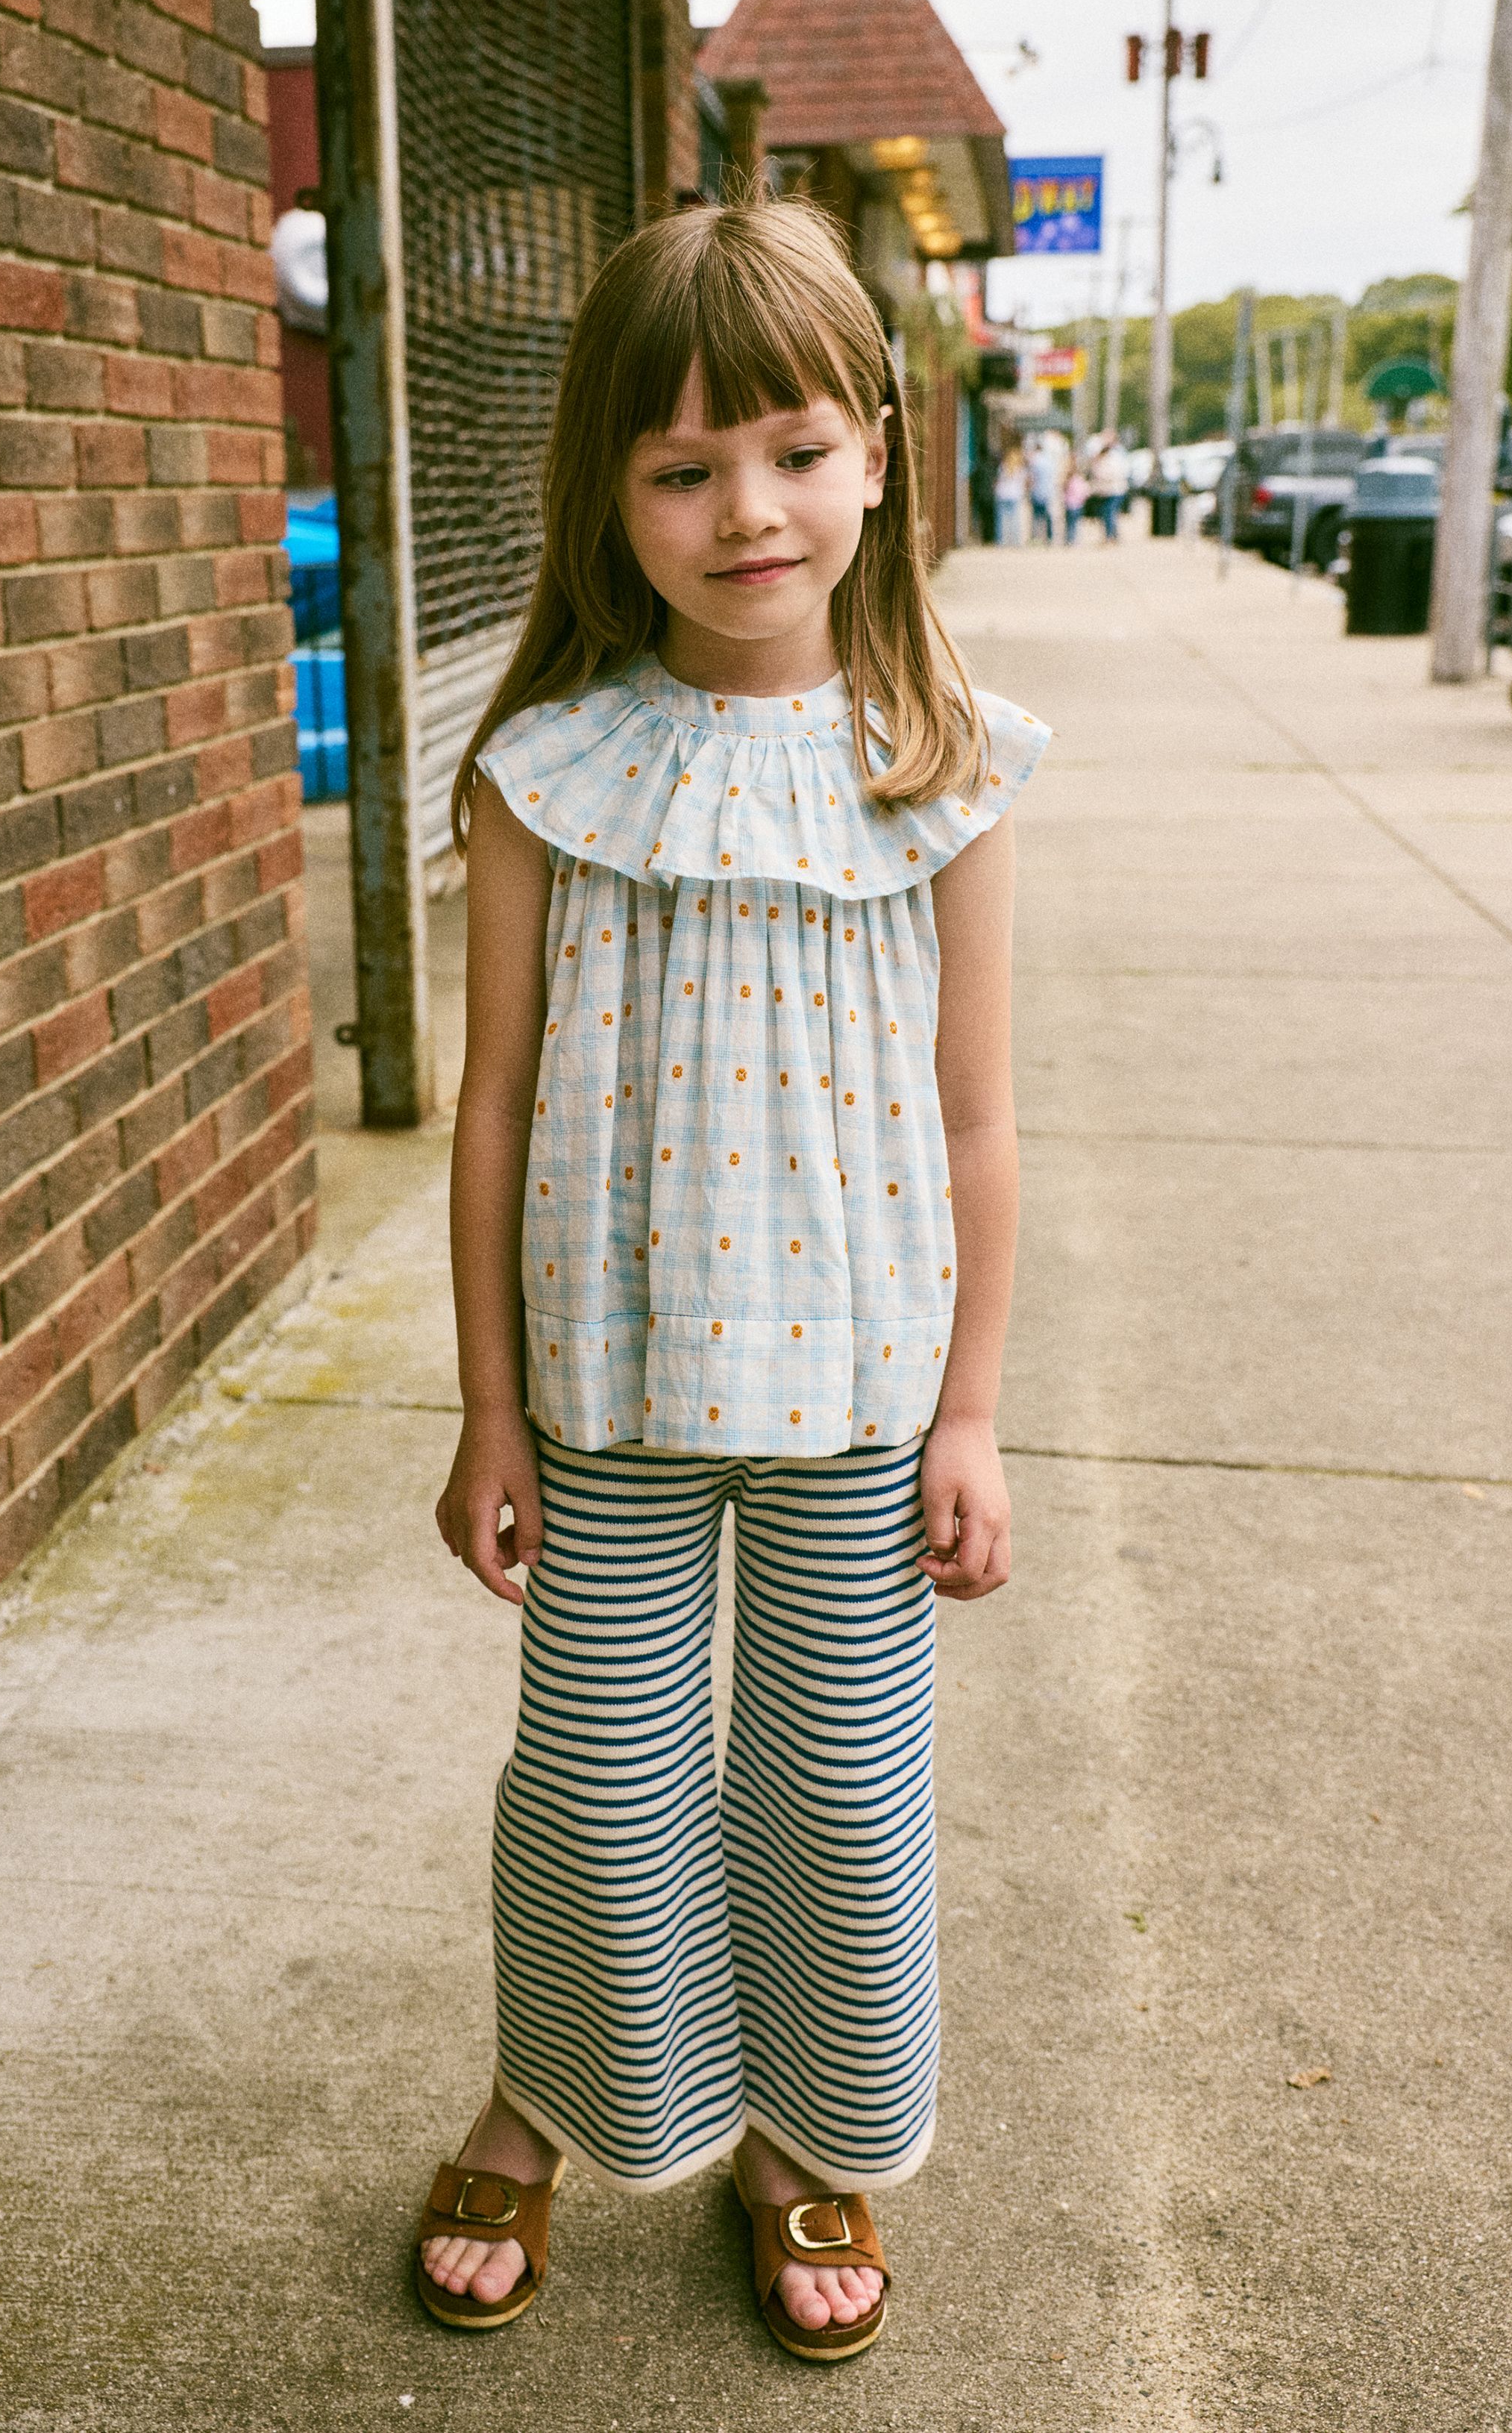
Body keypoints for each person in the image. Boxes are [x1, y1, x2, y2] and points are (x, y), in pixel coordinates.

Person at [416, 198, 1050, 2365]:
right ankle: (551, 2093)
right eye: (681, 467)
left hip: (862, 1400)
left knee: (839, 1801)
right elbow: (491, 1104)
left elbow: (977, 1119)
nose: (747, 511)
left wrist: (972, 1410)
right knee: (600, 1793)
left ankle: (804, 2134)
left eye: (791, 451)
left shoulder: (942, 769)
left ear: (874, 450)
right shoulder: (547, 770)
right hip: (600, 1390)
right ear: (609, 493)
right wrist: (484, 1409)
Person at [1088, 433, 1131, 541]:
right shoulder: (1104, 458)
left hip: (1114, 490)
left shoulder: (1115, 457)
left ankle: (1110, 536)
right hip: (1105, 490)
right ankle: (1112, 535)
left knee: (1109, 512)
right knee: (1107, 513)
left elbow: (1115, 473)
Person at [1024, 429, 1058, 541]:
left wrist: (1028, 489)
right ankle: (1049, 537)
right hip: (1048, 492)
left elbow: (1031, 478)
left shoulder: (1034, 461)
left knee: (1036, 517)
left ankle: (1035, 537)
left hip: (1037, 492)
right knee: (1048, 516)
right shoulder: (1050, 461)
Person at [994, 440, 1027, 545]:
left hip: (1002, 494)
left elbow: (998, 480)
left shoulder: (1003, 467)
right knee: (1015, 519)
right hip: (1015, 494)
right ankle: (1015, 541)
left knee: (1001, 519)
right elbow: (1024, 482)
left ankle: (1001, 540)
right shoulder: (1020, 469)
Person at [1064, 457, 1088, 544]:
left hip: (1070, 505)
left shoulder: (1068, 481)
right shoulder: (1080, 480)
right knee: (1076, 524)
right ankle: (1075, 540)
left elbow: (1065, 493)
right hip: (1078, 505)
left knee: (1070, 524)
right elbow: (1085, 492)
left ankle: (1070, 540)